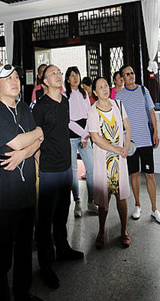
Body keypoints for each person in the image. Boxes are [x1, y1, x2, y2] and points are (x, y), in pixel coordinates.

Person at [0, 64, 43, 301]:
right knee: (4, 252)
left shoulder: (25, 108)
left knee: (24, 248)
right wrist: (34, 135)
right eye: (8, 78)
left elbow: (38, 141)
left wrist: (23, 153)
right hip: (4, 192)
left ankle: (22, 292)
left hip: (26, 190)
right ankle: (1, 295)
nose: (15, 81)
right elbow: (19, 141)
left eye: (16, 77)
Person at [32, 65, 84, 289]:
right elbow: (34, 138)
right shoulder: (40, 106)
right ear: (44, 81)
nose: (58, 75)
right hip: (49, 169)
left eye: (59, 73)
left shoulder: (65, 102)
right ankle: (46, 265)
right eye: (52, 73)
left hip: (65, 167)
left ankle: (63, 249)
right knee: (45, 219)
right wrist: (38, 163)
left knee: (62, 212)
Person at [115, 65, 160, 224]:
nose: (130, 75)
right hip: (130, 142)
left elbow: (151, 112)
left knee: (150, 175)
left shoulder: (144, 91)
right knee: (134, 174)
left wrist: (155, 132)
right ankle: (137, 205)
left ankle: (155, 209)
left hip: (145, 140)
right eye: (127, 74)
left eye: (132, 73)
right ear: (122, 78)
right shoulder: (119, 96)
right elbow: (118, 119)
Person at [88, 77, 132, 249]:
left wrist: (125, 147)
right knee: (103, 200)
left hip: (119, 158)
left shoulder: (118, 105)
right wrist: (116, 149)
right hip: (104, 160)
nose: (105, 88)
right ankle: (101, 231)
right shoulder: (92, 111)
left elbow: (128, 127)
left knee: (121, 196)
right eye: (100, 87)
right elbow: (95, 138)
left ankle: (124, 230)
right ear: (94, 92)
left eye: (106, 85)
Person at [64, 66, 96, 217]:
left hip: (85, 137)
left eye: (76, 74)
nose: (75, 78)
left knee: (91, 168)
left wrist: (85, 136)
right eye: (71, 75)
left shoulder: (84, 94)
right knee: (73, 170)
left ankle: (91, 202)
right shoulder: (64, 95)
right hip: (71, 136)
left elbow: (89, 115)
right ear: (67, 79)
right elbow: (67, 120)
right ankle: (77, 201)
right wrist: (83, 134)